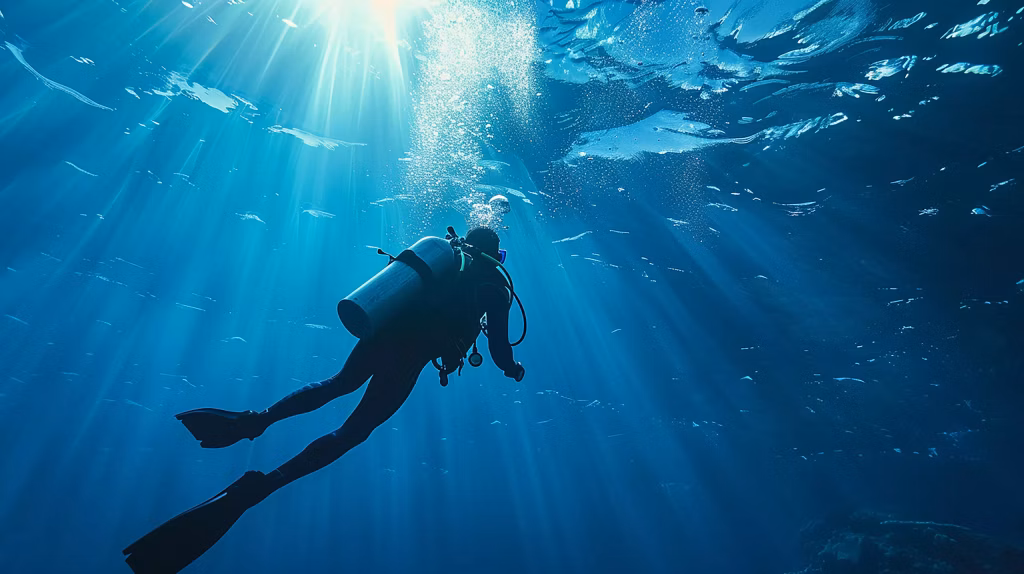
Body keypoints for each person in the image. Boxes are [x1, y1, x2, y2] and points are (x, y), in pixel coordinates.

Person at [123, 226, 525, 574]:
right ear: (496, 253)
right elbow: (499, 351)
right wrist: (513, 369)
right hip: (409, 356)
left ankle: (253, 421)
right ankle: (266, 484)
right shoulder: (493, 284)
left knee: (336, 384)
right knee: (354, 431)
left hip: (382, 335)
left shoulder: (442, 257)